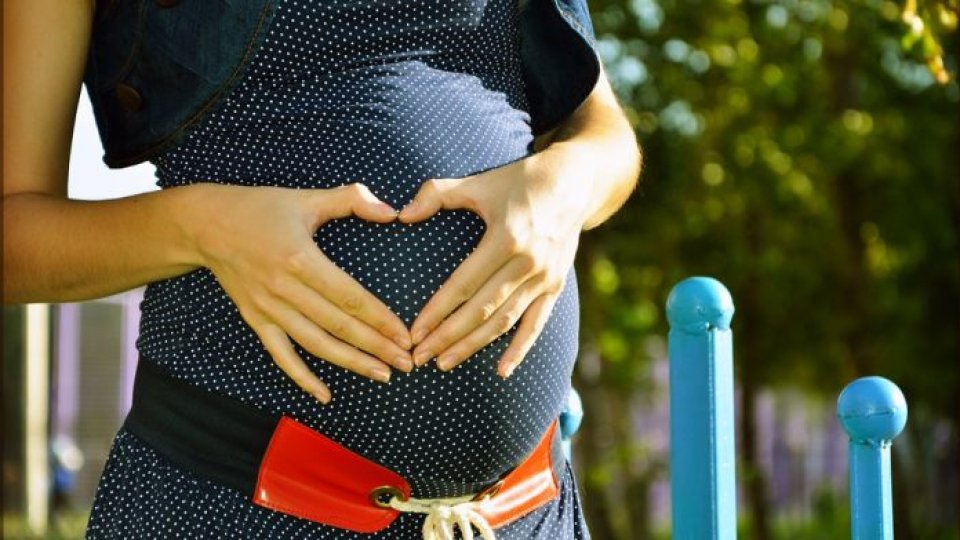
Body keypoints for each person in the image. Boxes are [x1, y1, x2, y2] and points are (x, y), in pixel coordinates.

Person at [3, 0, 642, 537]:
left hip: (522, 516)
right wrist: (199, 225)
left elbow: (603, 133)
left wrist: (570, 181)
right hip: (228, 507)